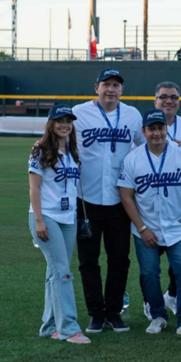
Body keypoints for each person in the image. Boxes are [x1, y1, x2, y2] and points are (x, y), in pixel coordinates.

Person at [118, 108, 181, 338]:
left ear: (166, 129)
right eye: (152, 129)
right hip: (146, 226)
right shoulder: (133, 158)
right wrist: (141, 228)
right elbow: (126, 196)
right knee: (149, 273)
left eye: (160, 128)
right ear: (143, 131)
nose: (156, 133)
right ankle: (158, 315)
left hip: (177, 225)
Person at [72, 68, 144, 334]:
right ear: (96, 88)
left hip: (119, 200)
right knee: (88, 260)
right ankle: (96, 314)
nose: (111, 89)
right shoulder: (79, 113)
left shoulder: (132, 115)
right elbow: (61, 140)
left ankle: (113, 312)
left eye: (116, 85)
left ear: (121, 90)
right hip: (86, 198)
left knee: (119, 259)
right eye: (106, 84)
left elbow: (143, 146)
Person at [28, 104, 90, 344]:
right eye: (60, 121)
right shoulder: (40, 150)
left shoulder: (73, 152)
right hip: (46, 217)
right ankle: (69, 329)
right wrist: (39, 220)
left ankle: (49, 326)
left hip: (68, 219)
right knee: (63, 271)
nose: (65, 125)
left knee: (54, 272)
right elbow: (34, 187)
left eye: (68, 121)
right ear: (51, 124)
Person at [138, 81, 181, 320]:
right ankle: (149, 302)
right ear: (155, 100)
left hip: (177, 205)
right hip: (149, 204)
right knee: (149, 266)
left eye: (173, 97)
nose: (168, 101)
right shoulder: (143, 126)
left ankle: (172, 295)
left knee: (179, 261)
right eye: (163, 97)